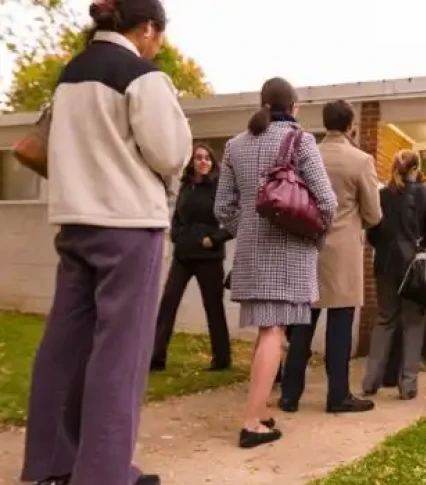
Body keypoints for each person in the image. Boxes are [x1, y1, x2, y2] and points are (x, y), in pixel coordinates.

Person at [19, 1, 192, 484]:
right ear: (149, 29)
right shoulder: (140, 76)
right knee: (121, 354)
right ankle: (104, 473)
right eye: (160, 36)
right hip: (129, 224)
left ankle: (53, 463)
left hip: (75, 221)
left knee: (64, 345)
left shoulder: (70, 75)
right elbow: (170, 152)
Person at [215, 77, 337, 448]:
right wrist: (311, 236)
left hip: (252, 254)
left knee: (268, 331)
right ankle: (251, 423)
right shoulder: (302, 141)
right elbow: (328, 203)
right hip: (289, 252)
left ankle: (260, 408)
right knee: (273, 333)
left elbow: (222, 208)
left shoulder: (234, 145)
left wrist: (249, 229)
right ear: (294, 107)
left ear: (263, 103)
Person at [279, 100, 381, 414]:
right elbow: (374, 214)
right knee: (340, 326)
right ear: (352, 124)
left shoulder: (305, 156)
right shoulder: (361, 160)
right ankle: (337, 395)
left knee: (301, 327)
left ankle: (289, 395)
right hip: (343, 252)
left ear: (325, 122)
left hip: (308, 247)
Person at [361, 150, 426, 399]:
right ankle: (407, 385)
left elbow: (373, 234)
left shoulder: (382, 195)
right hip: (414, 267)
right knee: (413, 324)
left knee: (384, 320)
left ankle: (370, 381)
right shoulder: (425, 194)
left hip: (385, 265)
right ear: (416, 169)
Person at [151, 144, 233, 372]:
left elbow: (235, 220)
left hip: (209, 257)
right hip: (183, 255)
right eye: (199, 158)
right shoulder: (187, 185)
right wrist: (176, 233)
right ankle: (156, 357)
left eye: (207, 158)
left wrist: (214, 239)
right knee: (168, 301)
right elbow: (177, 215)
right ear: (192, 163)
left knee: (213, 307)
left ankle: (222, 359)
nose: (203, 162)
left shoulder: (220, 187)